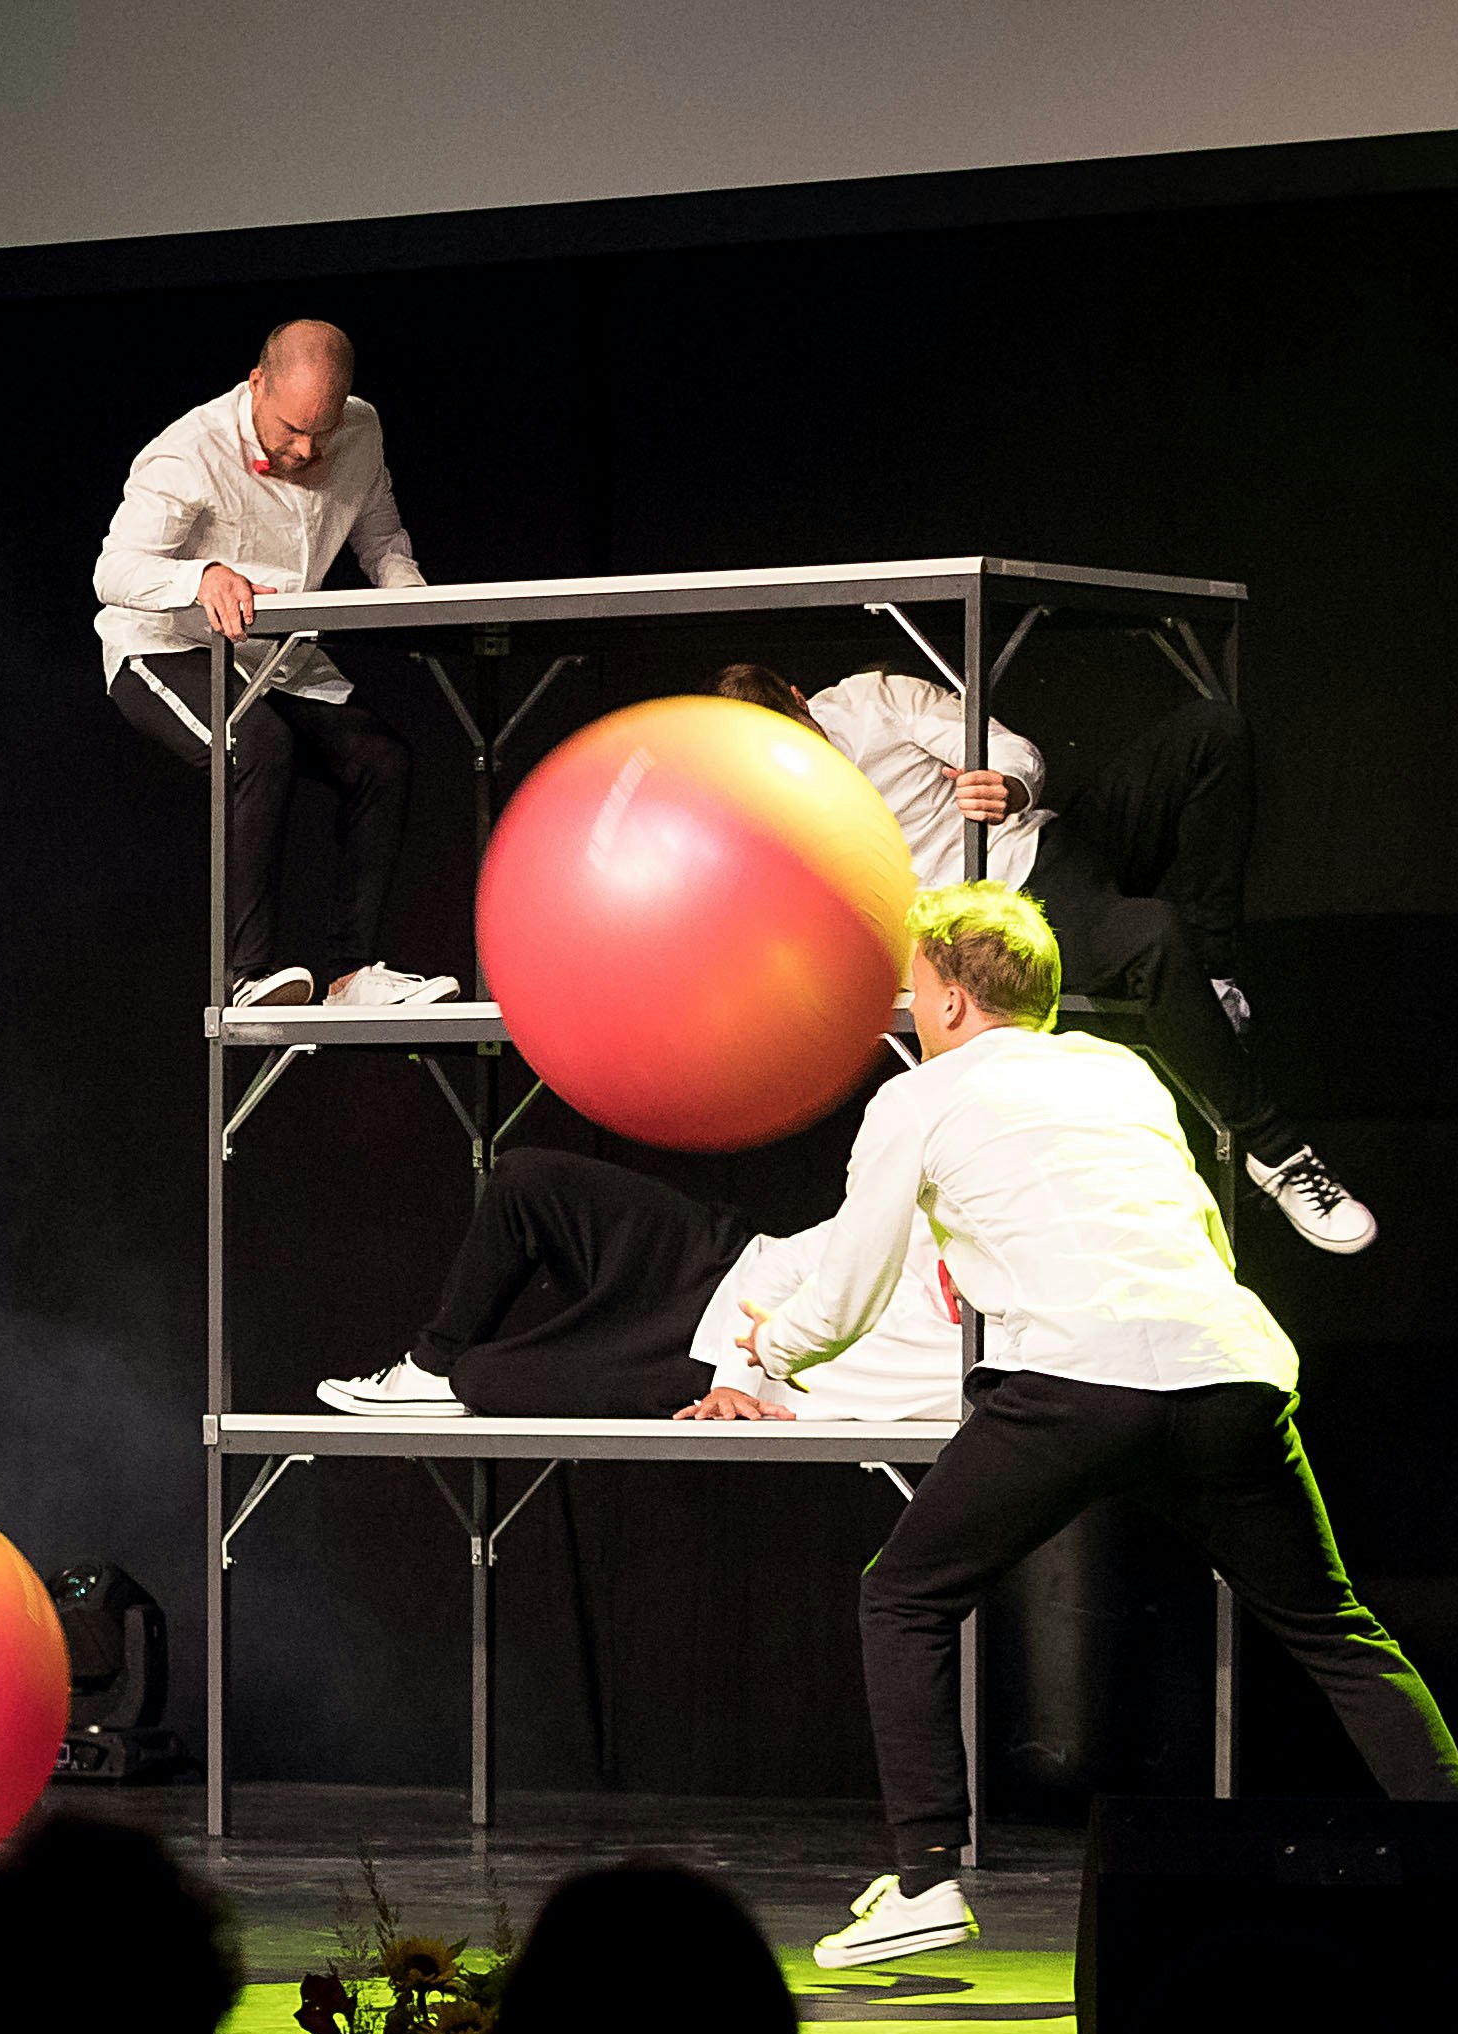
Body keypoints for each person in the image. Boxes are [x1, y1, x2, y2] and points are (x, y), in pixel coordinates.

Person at [749, 886, 1458, 1970]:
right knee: (1333, 1626)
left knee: (902, 1595)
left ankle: (927, 1875)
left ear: (943, 993)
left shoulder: (918, 1097)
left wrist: (769, 1347)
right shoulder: (1120, 1070)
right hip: (1227, 1372)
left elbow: (850, 1290)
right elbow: (1187, 1228)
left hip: (1078, 1386)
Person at [718, 662, 1375, 1256]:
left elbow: (1010, 749)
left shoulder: (872, 700)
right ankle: (1277, 1152)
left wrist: (1004, 784)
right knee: (1151, 934)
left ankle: (1216, 975)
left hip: (1054, 839)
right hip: (1012, 914)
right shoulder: (774, 819)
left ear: (804, 699)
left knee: (1212, 733)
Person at [96, 319, 454, 1015]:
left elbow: (379, 532)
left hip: (276, 655)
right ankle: (245, 978)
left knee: (381, 759)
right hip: (165, 645)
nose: (305, 449)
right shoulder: (188, 453)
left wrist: (408, 591)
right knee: (258, 743)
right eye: (291, 429)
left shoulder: (361, 431)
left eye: (322, 432)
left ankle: (352, 977)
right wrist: (201, 576)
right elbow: (115, 571)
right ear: (256, 383)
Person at [314, 1149, 964, 1423]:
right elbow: (792, 1261)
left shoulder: (984, 1364)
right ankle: (428, 1366)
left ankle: (449, 1379)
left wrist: (734, 1382)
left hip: (689, 1369)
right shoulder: (941, 1223)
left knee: (481, 1379)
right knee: (525, 1180)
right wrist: (744, 1369)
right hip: (720, 1261)